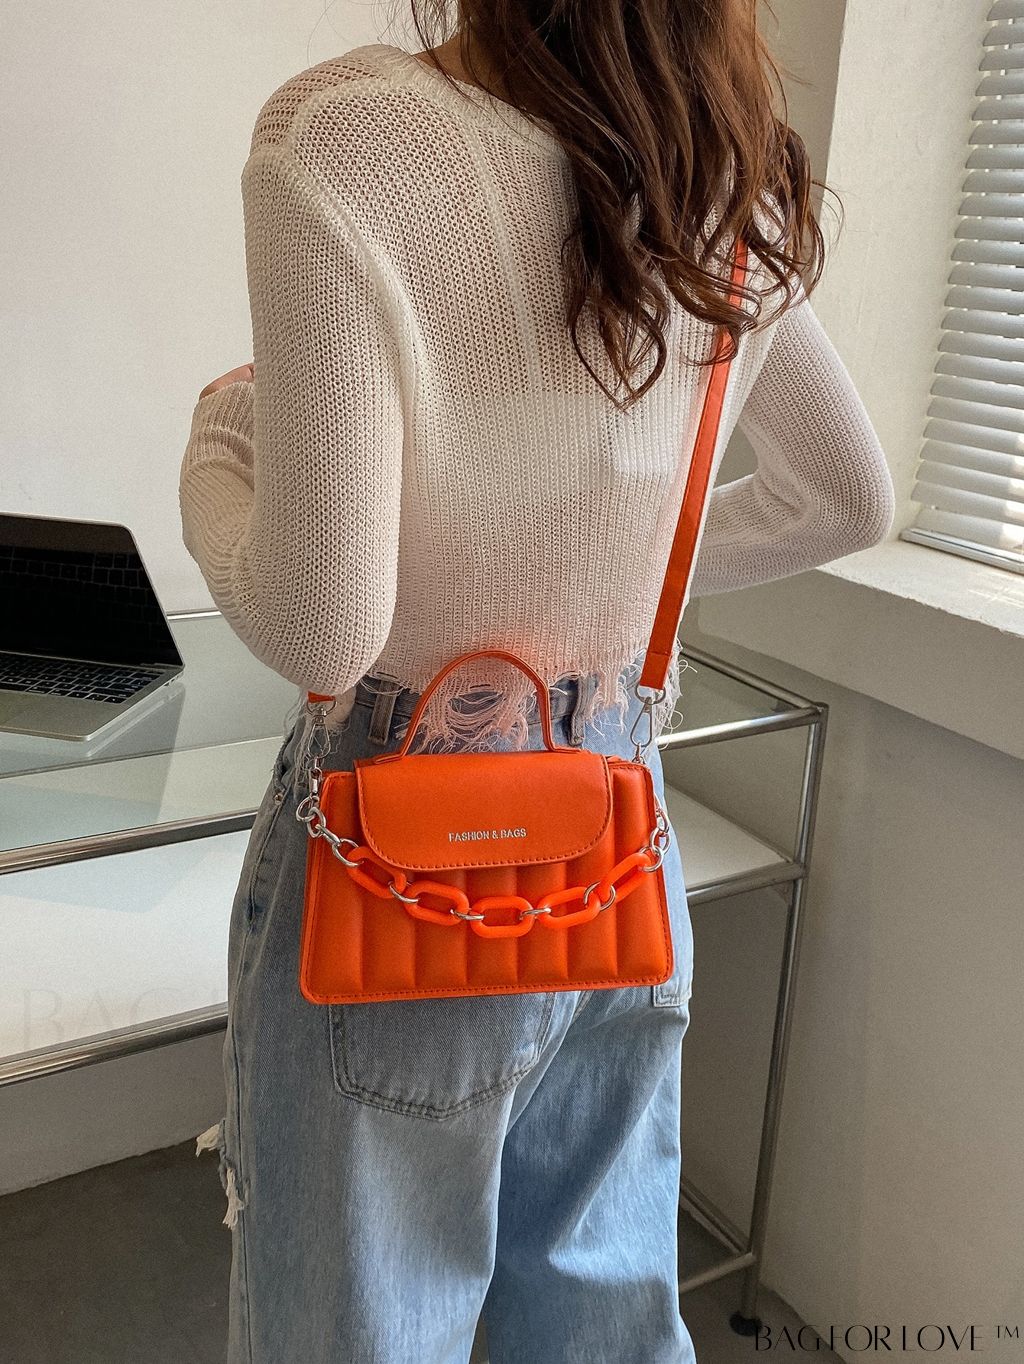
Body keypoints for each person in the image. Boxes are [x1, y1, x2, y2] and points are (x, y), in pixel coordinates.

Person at [180, 5, 895, 1360]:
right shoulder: (717, 167)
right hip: (616, 837)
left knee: (360, 1333)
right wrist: (610, 583)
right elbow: (845, 497)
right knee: (597, 1329)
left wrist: (217, 453)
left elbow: (324, 626)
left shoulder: (347, 138)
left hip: (403, 850)